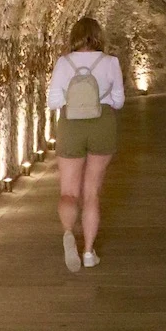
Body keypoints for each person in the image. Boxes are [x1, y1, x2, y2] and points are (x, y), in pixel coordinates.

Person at [46, 15, 124, 272]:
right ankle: (89, 252)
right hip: (102, 123)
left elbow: (54, 100)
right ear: (98, 35)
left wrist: (73, 99)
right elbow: (119, 101)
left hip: (71, 124)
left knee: (68, 191)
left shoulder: (64, 63)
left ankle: (69, 233)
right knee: (92, 193)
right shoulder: (110, 62)